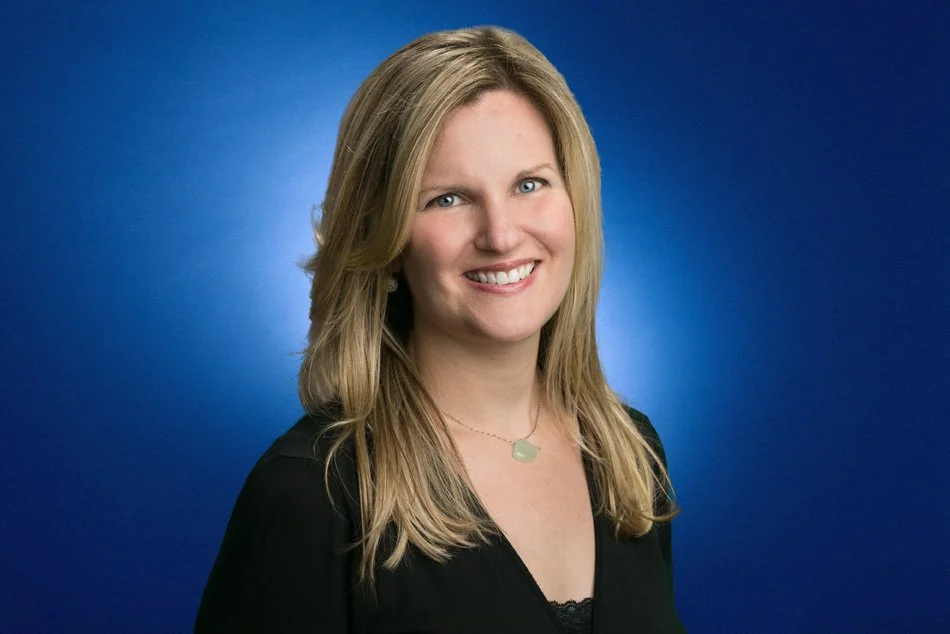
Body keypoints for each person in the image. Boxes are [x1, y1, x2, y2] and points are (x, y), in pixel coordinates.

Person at [195, 25, 682, 633]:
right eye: (448, 199)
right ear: (386, 238)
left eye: (529, 184)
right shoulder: (312, 491)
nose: (501, 235)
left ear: (575, 200)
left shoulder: (630, 456)